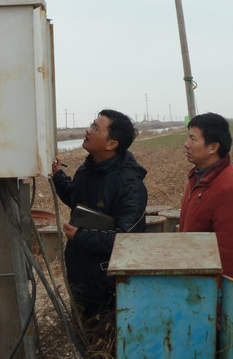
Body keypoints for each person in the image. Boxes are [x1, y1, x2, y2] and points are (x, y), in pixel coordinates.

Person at [52, 109, 147, 319]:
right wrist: (58, 176)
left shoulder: (129, 185)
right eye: (91, 124)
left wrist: (80, 236)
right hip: (80, 272)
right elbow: (77, 199)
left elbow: (127, 238)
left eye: (95, 128)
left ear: (112, 144)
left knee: (104, 332)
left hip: (107, 282)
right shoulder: (88, 168)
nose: (88, 130)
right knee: (81, 326)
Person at [179, 112, 233, 283]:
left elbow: (230, 257)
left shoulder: (230, 191)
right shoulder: (197, 178)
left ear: (213, 147)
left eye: (193, 139)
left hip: (210, 288)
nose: (186, 144)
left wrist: (221, 296)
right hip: (193, 280)